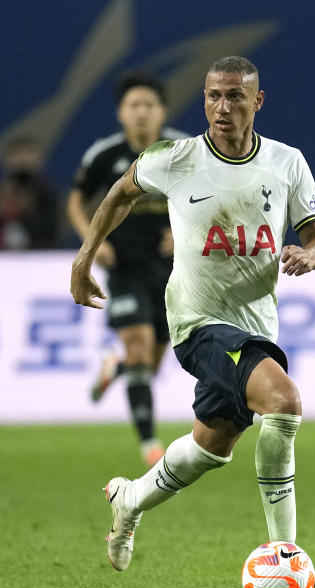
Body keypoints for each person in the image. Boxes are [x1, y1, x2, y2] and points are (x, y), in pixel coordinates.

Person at [70, 56, 315, 574]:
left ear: (257, 102)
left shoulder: (286, 162)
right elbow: (119, 194)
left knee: (211, 445)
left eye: (235, 96)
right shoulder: (175, 156)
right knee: (283, 401)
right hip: (196, 322)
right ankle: (287, 554)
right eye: (213, 95)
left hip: (256, 322)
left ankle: (131, 499)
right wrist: (83, 258)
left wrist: (310, 255)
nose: (222, 107)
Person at [67, 71, 189, 467]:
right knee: (137, 343)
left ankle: (116, 366)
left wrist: (182, 232)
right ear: (121, 112)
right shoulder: (104, 154)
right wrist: (93, 241)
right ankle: (151, 445)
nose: (141, 113)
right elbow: (75, 201)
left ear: (162, 112)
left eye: (148, 106)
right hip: (123, 266)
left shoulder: (183, 151)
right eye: (133, 106)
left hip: (172, 270)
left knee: (149, 360)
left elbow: (203, 200)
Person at [0, 136, 62, 250]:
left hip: (38, 257)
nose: (22, 160)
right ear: (7, 159)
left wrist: (27, 212)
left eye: (28, 154)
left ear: (39, 159)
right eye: (18, 154)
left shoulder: (46, 191)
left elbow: (52, 230)